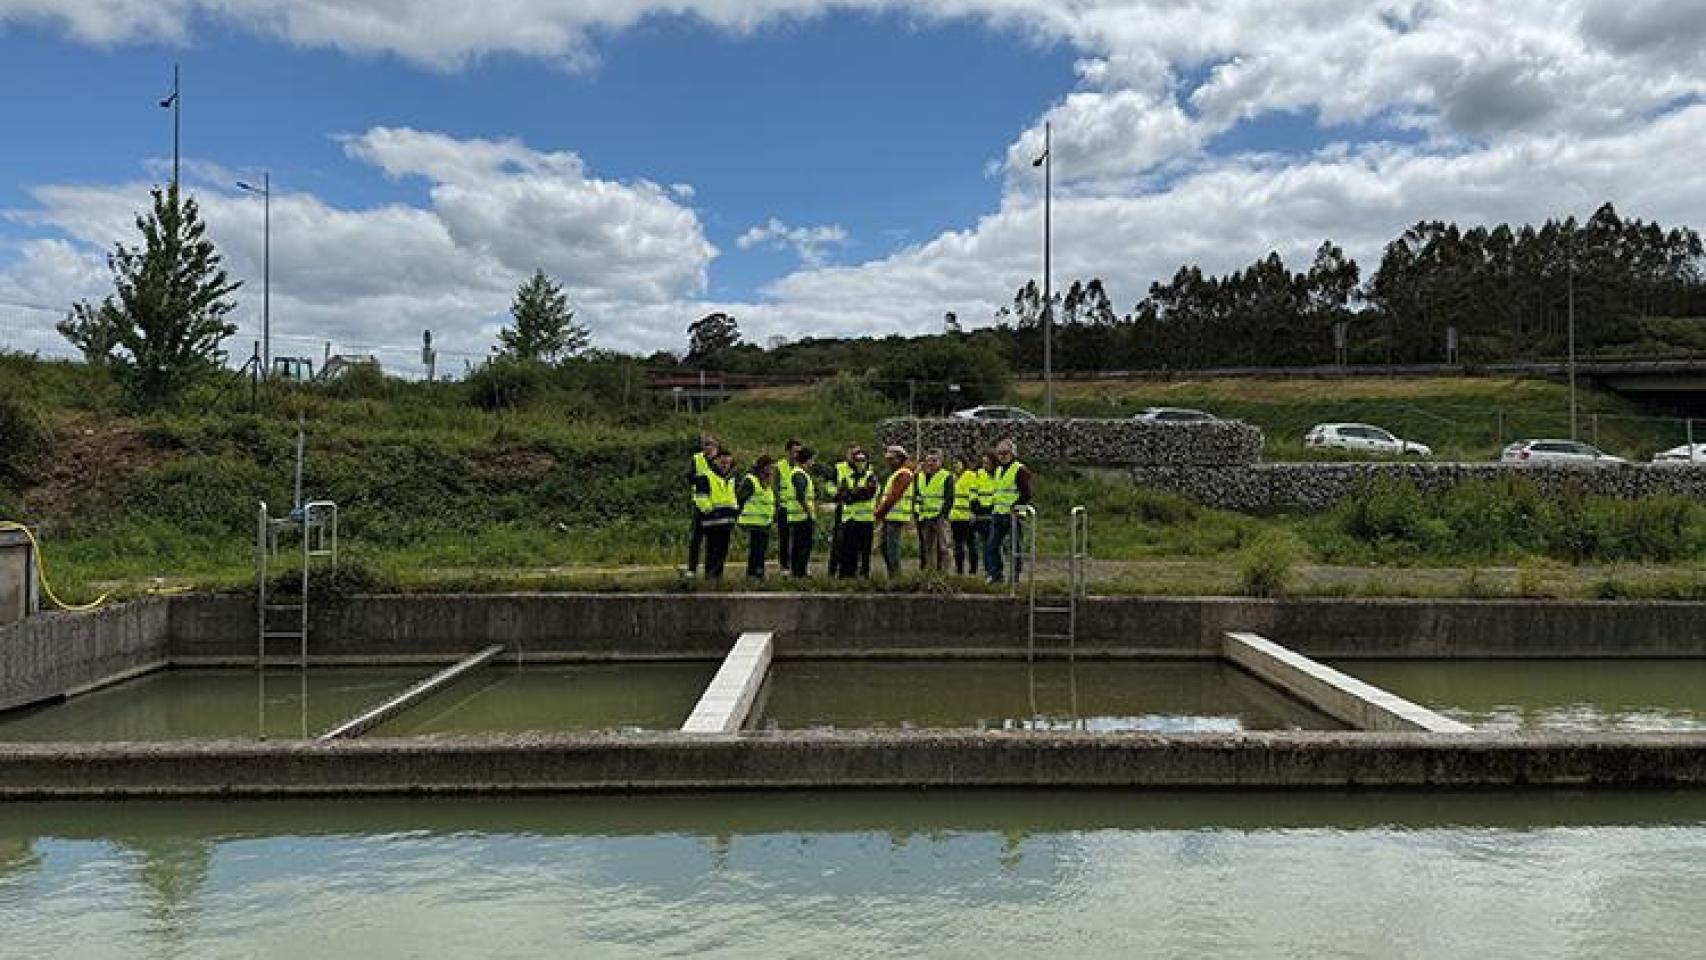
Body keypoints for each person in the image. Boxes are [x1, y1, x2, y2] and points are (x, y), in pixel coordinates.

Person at [983, 438, 1033, 584]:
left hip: (1013, 515)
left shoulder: (1020, 469)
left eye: (1005, 452)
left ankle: (1015, 577)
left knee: (1015, 548)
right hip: (998, 513)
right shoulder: (998, 470)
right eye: (999, 453)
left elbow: (1027, 494)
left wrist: (1015, 507)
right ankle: (996, 575)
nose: (1002, 456)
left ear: (1012, 453)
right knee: (991, 546)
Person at [694, 447, 740, 581]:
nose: (725, 465)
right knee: (713, 551)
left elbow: (731, 497)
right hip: (712, 521)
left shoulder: (730, 478)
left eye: (728, 463)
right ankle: (710, 577)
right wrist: (711, 512)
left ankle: (717, 577)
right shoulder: (706, 476)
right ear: (716, 461)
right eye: (723, 462)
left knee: (722, 552)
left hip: (726, 521)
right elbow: (701, 498)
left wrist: (734, 511)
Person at [872, 445, 915, 577]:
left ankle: (895, 576)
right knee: (886, 548)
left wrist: (879, 513)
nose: (889, 462)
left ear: (900, 458)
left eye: (892, 459)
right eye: (888, 459)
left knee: (891, 549)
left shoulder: (904, 474)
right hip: (891, 516)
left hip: (895, 516)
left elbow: (893, 496)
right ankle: (893, 575)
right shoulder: (898, 473)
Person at [836, 446, 878, 578]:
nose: (860, 463)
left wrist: (852, 493)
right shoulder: (846, 477)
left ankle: (864, 575)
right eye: (857, 460)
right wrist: (857, 492)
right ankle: (847, 576)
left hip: (865, 521)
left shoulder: (871, 477)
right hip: (849, 520)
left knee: (864, 552)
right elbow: (843, 496)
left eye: (863, 460)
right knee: (847, 551)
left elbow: (869, 493)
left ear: (867, 462)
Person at [913, 448, 954, 573]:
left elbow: (949, 498)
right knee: (927, 548)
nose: (930, 463)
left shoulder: (946, 476)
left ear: (941, 461)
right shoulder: (919, 476)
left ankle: (945, 574)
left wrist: (943, 515)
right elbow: (917, 496)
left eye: (934, 461)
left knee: (944, 547)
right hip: (925, 517)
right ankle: (929, 573)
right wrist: (917, 514)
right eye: (928, 461)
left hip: (940, 517)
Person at [737, 455, 777, 580]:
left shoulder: (767, 481)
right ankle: (754, 574)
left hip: (764, 521)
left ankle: (757, 573)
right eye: (769, 467)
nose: (771, 470)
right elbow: (740, 498)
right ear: (763, 467)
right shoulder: (751, 480)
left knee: (761, 550)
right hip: (753, 521)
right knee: (757, 550)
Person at [684, 434, 718, 578]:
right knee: (696, 539)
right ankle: (692, 569)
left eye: (710, 444)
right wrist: (701, 481)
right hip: (700, 503)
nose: (708, 447)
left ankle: (711, 571)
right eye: (705, 444)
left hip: (716, 504)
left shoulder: (720, 459)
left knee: (713, 541)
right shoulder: (697, 459)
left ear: (715, 446)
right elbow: (689, 477)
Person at [825, 444, 860, 578]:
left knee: (856, 544)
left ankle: (852, 571)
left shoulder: (865, 467)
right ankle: (833, 570)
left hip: (859, 510)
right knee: (838, 541)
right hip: (843, 507)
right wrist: (836, 494)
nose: (854, 457)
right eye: (851, 454)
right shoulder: (839, 468)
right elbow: (829, 483)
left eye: (856, 454)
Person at [949, 454, 984, 576]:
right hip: (955, 516)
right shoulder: (953, 478)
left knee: (971, 544)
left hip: (967, 516)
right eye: (953, 463)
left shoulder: (970, 476)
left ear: (963, 463)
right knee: (958, 546)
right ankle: (959, 570)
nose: (955, 465)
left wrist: (973, 512)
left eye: (957, 463)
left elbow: (974, 495)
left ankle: (973, 570)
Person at [785, 445, 818, 578]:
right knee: (802, 547)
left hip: (797, 517)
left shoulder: (798, 473)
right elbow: (800, 495)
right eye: (812, 460)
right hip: (802, 518)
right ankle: (800, 573)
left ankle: (798, 572)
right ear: (807, 460)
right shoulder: (799, 474)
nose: (813, 463)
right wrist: (808, 511)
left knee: (798, 547)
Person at [775, 438, 803, 574]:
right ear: (787, 452)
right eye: (794, 452)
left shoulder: (802, 466)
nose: (796, 455)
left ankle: (797, 565)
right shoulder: (779, 466)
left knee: (798, 539)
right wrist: (778, 504)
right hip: (785, 508)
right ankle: (784, 566)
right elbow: (775, 487)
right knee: (785, 538)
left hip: (798, 508)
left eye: (799, 452)